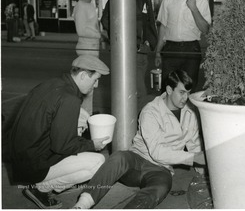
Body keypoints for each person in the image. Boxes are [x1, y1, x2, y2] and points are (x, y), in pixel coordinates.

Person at [73, 70, 206, 209]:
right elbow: (157, 152)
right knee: (119, 157)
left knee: (161, 187)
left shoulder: (190, 114)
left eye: (188, 93)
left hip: (161, 170)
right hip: (137, 161)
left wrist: (205, 172)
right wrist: (194, 157)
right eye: (182, 92)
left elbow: (194, 145)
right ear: (169, 89)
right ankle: (82, 204)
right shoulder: (150, 111)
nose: (186, 97)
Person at [10, 55, 111, 209]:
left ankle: (57, 179)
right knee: (98, 162)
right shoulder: (69, 99)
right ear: (83, 75)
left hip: (21, 156)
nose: (96, 85)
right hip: (32, 165)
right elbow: (62, 146)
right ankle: (40, 189)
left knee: (80, 123)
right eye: (95, 79)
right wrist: (92, 144)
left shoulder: (53, 83)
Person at [100, 0, 163, 108]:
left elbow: (148, 25)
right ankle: (136, 128)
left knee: (133, 95)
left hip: (141, 55)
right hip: (129, 55)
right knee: (138, 96)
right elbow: (107, 19)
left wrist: (149, 43)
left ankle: (133, 128)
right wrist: (125, 42)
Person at [155, 0, 211, 92]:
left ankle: (186, 112)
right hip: (171, 49)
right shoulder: (168, 0)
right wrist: (158, 51)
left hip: (191, 49)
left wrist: (194, 8)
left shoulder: (202, 2)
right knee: (168, 89)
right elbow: (163, 27)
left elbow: (206, 30)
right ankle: (168, 112)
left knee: (188, 89)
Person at [73, 0, 101, 115]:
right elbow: (81, 30)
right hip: (85, 51)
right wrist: (99, 35)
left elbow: (93, 25)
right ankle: (84, 122)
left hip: (93, 51)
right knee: (86, 90)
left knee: (90, 89)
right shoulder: (80, 6)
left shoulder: (91, 4)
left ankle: (87, 118)